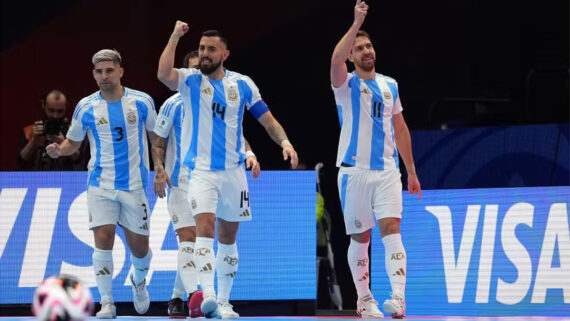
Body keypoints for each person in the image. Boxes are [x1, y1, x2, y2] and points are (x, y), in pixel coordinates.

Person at [157, 22, 298, 318]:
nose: (205, 54)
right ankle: (207, 294)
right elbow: (163, 74)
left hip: (234, 172)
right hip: (200, 171)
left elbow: (267, 120)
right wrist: (174, 37)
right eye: (202, 49)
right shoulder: (190, 81)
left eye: (211, 49)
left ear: (225, 53)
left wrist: (285, 142)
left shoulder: (242, 84)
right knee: (204, 228)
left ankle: (223, 301)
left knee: (229, 236)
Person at [46, 49, 158, 319]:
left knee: (140, 249)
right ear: (94, 74)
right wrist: (59, 150)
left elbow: (157, 138)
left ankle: (138, 280)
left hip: (135, 186)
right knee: (103, 237)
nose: (104, 75)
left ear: (121, 71)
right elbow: (73, 142)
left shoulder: (141, 102)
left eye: (109, 70)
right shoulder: (86, 106)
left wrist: (162, 169)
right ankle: (106, 302)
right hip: (100, 183)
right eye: (99, 71)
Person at [330, 0, 422, 318]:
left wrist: (410, 170)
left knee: (391, 229)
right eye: (360, 48)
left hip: (386, 171)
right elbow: (335, 59)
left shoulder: (390, 85)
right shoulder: (344, 85)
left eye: (369, 46)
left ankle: (398, 299)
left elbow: (400, 127)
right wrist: (355, 24)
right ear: (352, 56)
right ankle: (365, 298)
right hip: (354, 172)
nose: (367, 51)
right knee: (361, 236)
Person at [152, 50, 260, 318]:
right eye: (191, 72)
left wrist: (249, 154)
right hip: (180, 181)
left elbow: (234, 135)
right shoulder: (173, 104)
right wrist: (159, 169)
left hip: (215, 177)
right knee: (189, 237)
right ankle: (195, 296)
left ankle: (183, 296)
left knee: (207, 236)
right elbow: (158, 140)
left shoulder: (218, 99)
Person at [18, 89, 87, 170]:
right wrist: (33, 141)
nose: (55, 115)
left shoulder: (74, 131)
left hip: (67, 180)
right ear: (43, 105)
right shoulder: (30, 131)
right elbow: (21, 161)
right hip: (36, 180)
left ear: (66, 107)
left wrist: (64, 143)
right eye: (51, 110)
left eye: (60, 111)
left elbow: (80, 160)